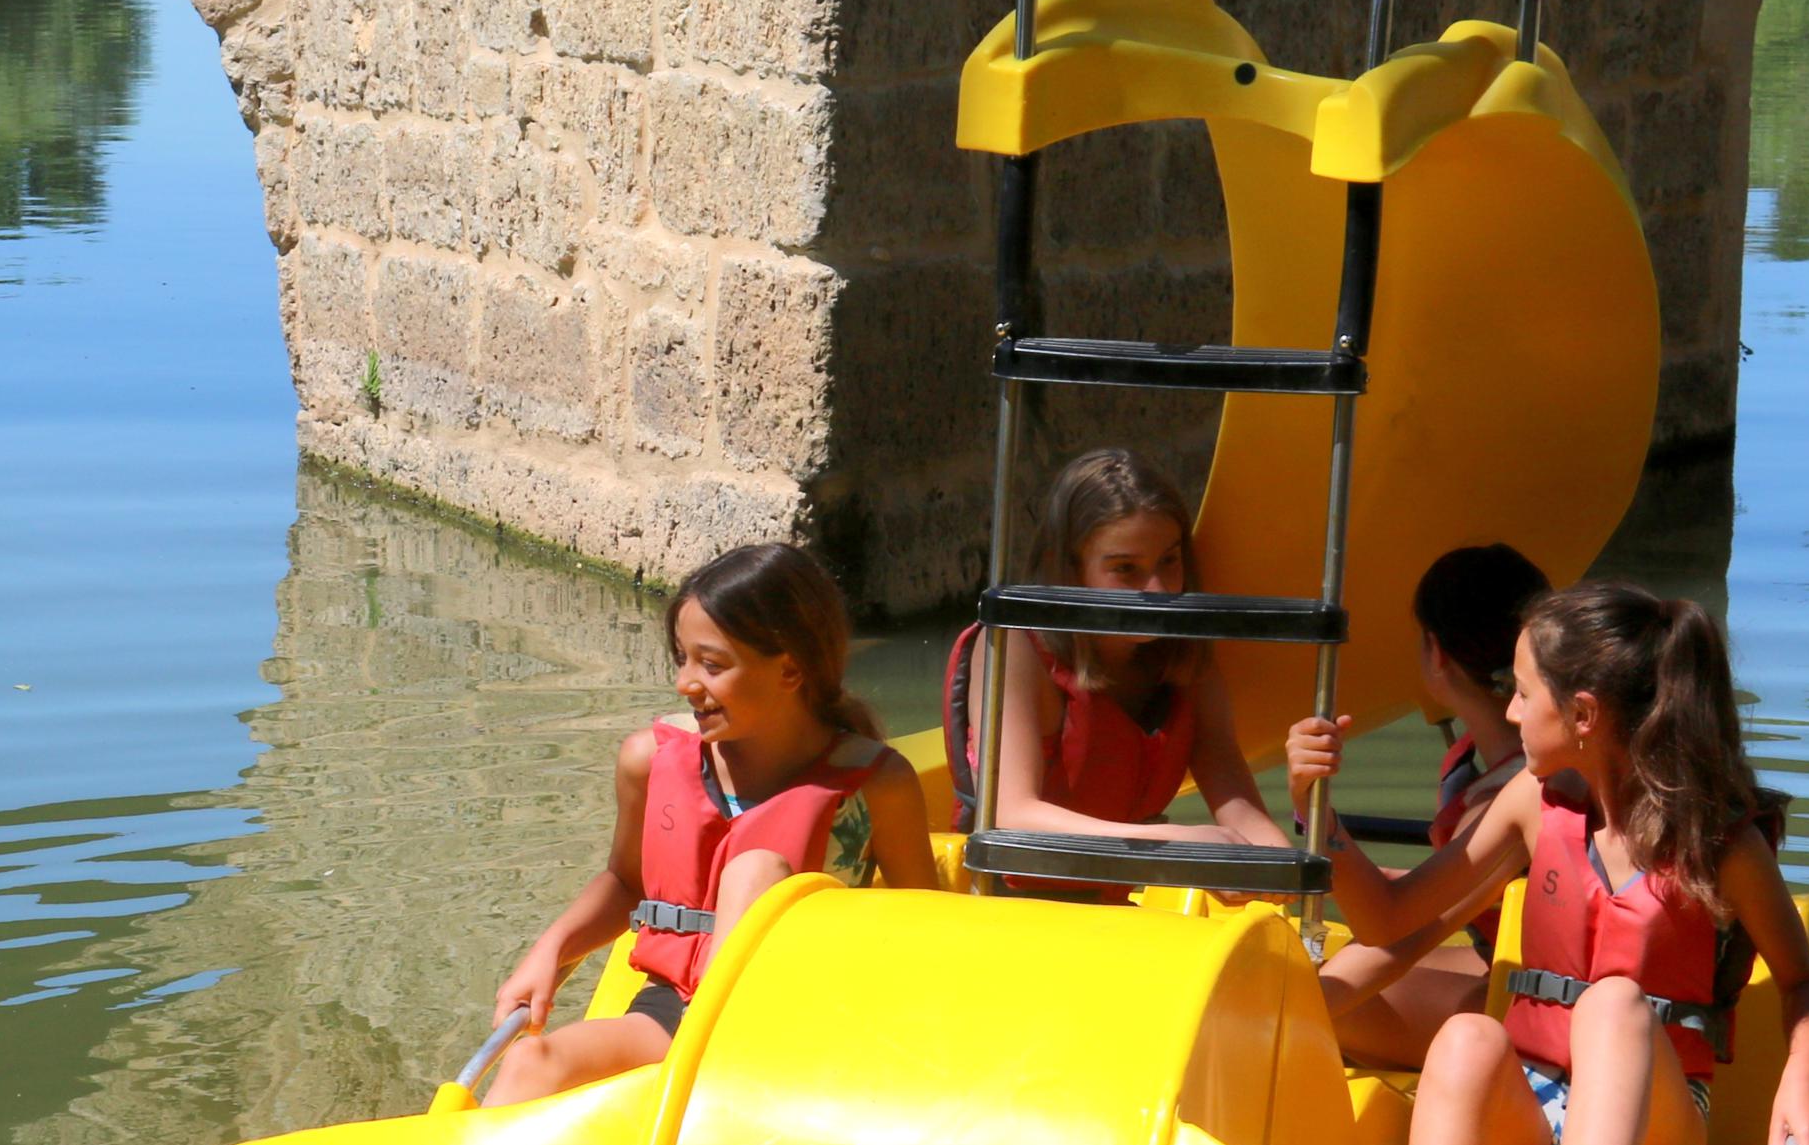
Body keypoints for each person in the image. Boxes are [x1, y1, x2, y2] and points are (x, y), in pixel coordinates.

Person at [1283, 582, 1809, 1145]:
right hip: (1529, 1105)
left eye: (1520, 691)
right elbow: (1387, 917)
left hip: (1656, 1139)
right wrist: (1317, 812)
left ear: (1581, 714)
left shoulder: (1719, 843)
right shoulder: (1529, 803)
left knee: (1612, 1002)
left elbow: (1804, 982)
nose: (1508, 711)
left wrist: (1799, 1077)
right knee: (1464, 1037)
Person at [483, 542, 937, 1106]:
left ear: (790, 669)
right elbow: (628, 885)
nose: (685, 683)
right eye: (681, 659)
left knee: (758, 869)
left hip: (809, 1020)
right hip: (671, 1015)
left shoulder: (876, 783)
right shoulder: (648, 761)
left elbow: (925, 931)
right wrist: (550, 948)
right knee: (533, 1060)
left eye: (712, 665)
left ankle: (710, 1073)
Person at [940, 448, 1293, 893]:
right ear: (1070, 569)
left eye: (1169, 561)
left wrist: (1275, 861)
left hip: (1113, 914)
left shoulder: (1186, 656)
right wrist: (1174, 844)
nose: (1158, 591)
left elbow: (1230, 785)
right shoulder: (1015, 646)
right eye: (1126, 569)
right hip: (1006, 910)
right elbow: (1011, 814)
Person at [1314, 542, 1549, 1067]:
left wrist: (1314, 809)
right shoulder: (1492, 767)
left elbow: (1397, 936)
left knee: (1319, 999)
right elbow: (1464, 892)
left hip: (1535, 1011)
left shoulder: (1507, 796)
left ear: (1435, 653)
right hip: (1518, 965)